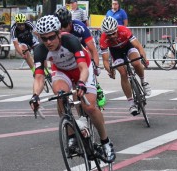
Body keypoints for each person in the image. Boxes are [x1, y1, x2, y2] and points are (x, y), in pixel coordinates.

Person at [29, 15, 115, 162]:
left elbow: (83, 67)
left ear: (58, 33)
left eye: (51, 37)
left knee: (90, 107)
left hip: (82, 69)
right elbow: (39, 77)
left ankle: (105, 142)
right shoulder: (40, 50)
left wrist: (81, 82)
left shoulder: (70, 40)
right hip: (62, 72)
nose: (48, 42)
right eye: (44, 39)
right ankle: (71, 136)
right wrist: (35, 95)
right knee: (60, 95)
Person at [54, 7, 106, 107]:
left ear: (70, 23)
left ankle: (97, 88)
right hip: (70, 51)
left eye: (65, 26)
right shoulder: (56, 32)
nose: (63, 29)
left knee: (88, 62)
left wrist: (96, 66)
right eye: (60, 26)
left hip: (84, 46)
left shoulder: (79, 26)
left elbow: (92, 49)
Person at [100, 16, 151, 116]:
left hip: (128, 47)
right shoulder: (103, 39)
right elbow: (105, 60)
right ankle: (131, 103)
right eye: (109, 34)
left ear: (116, 29)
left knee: (136, 62)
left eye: (113, 33)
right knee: (123, 73)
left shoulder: (124, 30)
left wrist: (143, 57)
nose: (112, 36)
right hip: (116, 52)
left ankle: (143, 82)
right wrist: (109, 70)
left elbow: (138, 46)